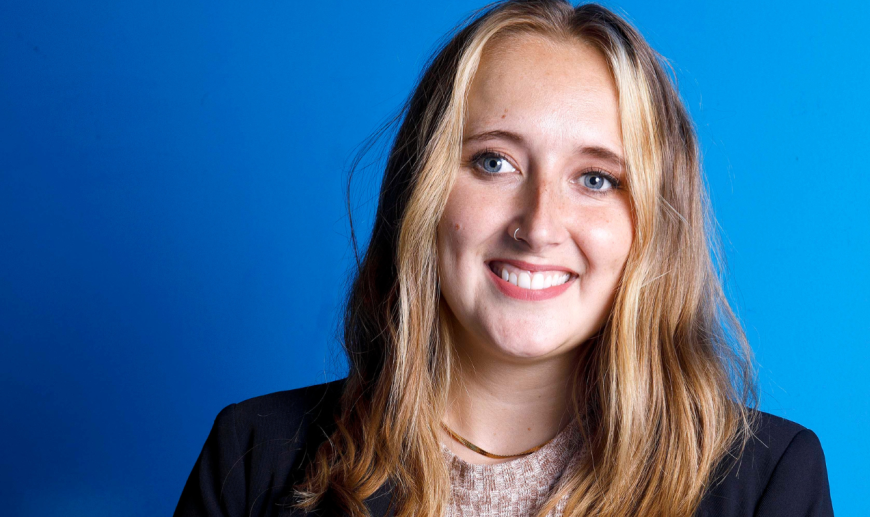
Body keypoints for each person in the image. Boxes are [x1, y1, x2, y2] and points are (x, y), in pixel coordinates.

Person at [173, 1, 833, 516]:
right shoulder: (255, 455)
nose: (539, 224)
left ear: (654, 226)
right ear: (422, 190)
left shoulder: (765, 481)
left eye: (597, 177)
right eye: (494, 162)